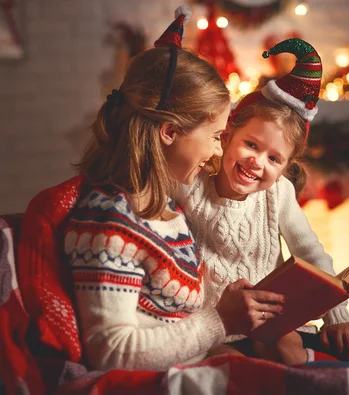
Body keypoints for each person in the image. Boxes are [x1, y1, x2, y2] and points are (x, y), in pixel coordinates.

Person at [63, 7, 286, 372]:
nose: (219, 150)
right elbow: (111, 352)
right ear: (170, 132)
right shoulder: (110, 222)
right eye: (216, 137)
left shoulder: (163, 208)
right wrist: (220, 322)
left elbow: (174, 324)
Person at [174, 38, 349, 376]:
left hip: (276, 325)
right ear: (226, 136)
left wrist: (337, 318)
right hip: (220, 326)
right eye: (251, 145)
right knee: (227, 359)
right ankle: (297, 370)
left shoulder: (279, 193)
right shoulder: (192, 182)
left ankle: (294, 363)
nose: (257, 162)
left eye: (273, 158)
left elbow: (311, 252)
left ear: (286, 166)